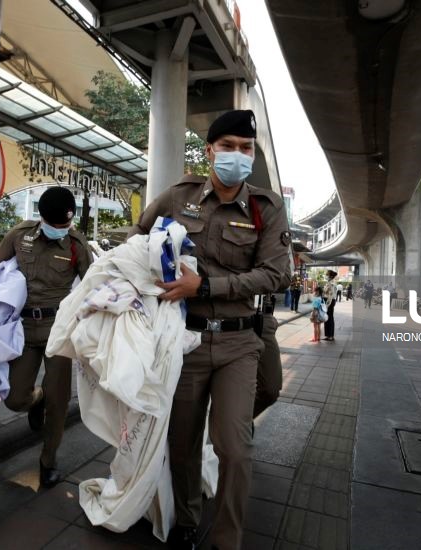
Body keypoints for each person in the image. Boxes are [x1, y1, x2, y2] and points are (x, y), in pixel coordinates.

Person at [128, 109, 291, 550]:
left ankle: (226, 540)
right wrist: (145, 266)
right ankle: (186, 519)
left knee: (234, 448)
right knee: (182, 441)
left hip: (240, 341)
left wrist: (205, 286)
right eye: (228, 146)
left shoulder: (266, 208)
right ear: (209, 151)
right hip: (186, 340)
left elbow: (276, 274)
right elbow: (137, 236)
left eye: (246, 148)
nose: (237, 155)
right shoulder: (179, 196)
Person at [0, 186, 93, 487]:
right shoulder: (21, 235)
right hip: (24, 329)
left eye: (67, 223)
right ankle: (36, 398)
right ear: (42, 218)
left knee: (59, 401)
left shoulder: (77, 245)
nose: (63, 229)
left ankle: (48, 461)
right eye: (57, 224)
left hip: (59, 330)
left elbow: (95, 284)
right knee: (15, 398)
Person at [323, 270, 337, 341]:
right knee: (326, 318)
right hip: (328, 301)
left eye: (327, 274)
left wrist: (327, 305)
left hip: (330, 301)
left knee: (330, 318)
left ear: (330, 276)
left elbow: (330, 296)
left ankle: (331, 336)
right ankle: (328, 335)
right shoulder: (328, 283)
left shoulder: (331, 283)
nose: (326, 276)